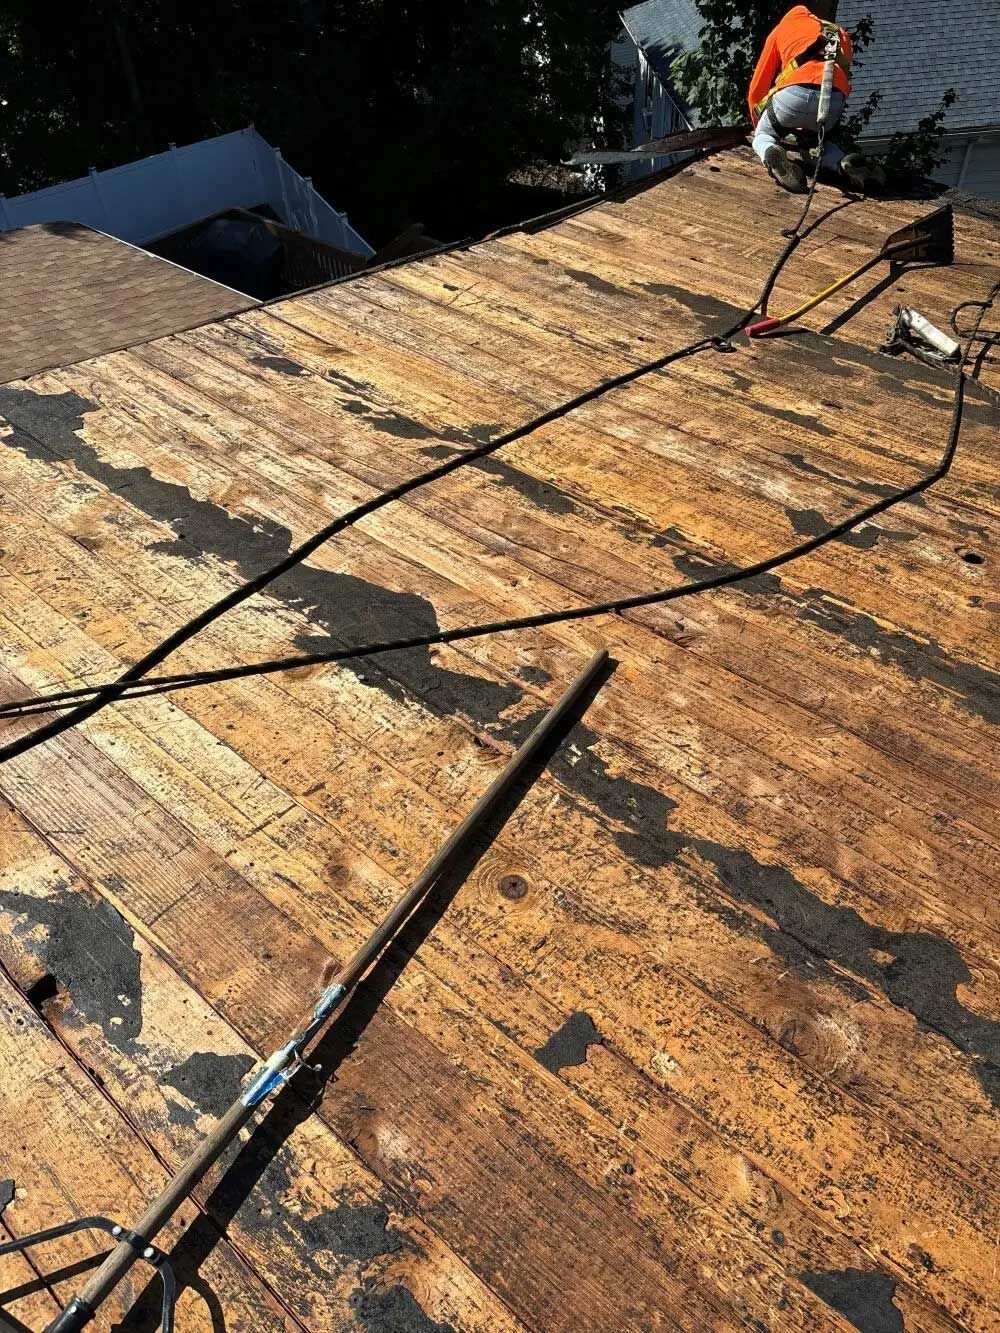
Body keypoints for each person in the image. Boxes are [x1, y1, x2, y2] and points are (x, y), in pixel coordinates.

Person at [748, 2, 874, 193]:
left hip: (793, 95)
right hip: (832, 101)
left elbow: (758, 86)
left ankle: (771, 154)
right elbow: (840, 77)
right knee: (815, 145)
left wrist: (760, 124)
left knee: (763, 136)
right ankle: (842, 162)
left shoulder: (783, 27)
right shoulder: (841, 33)